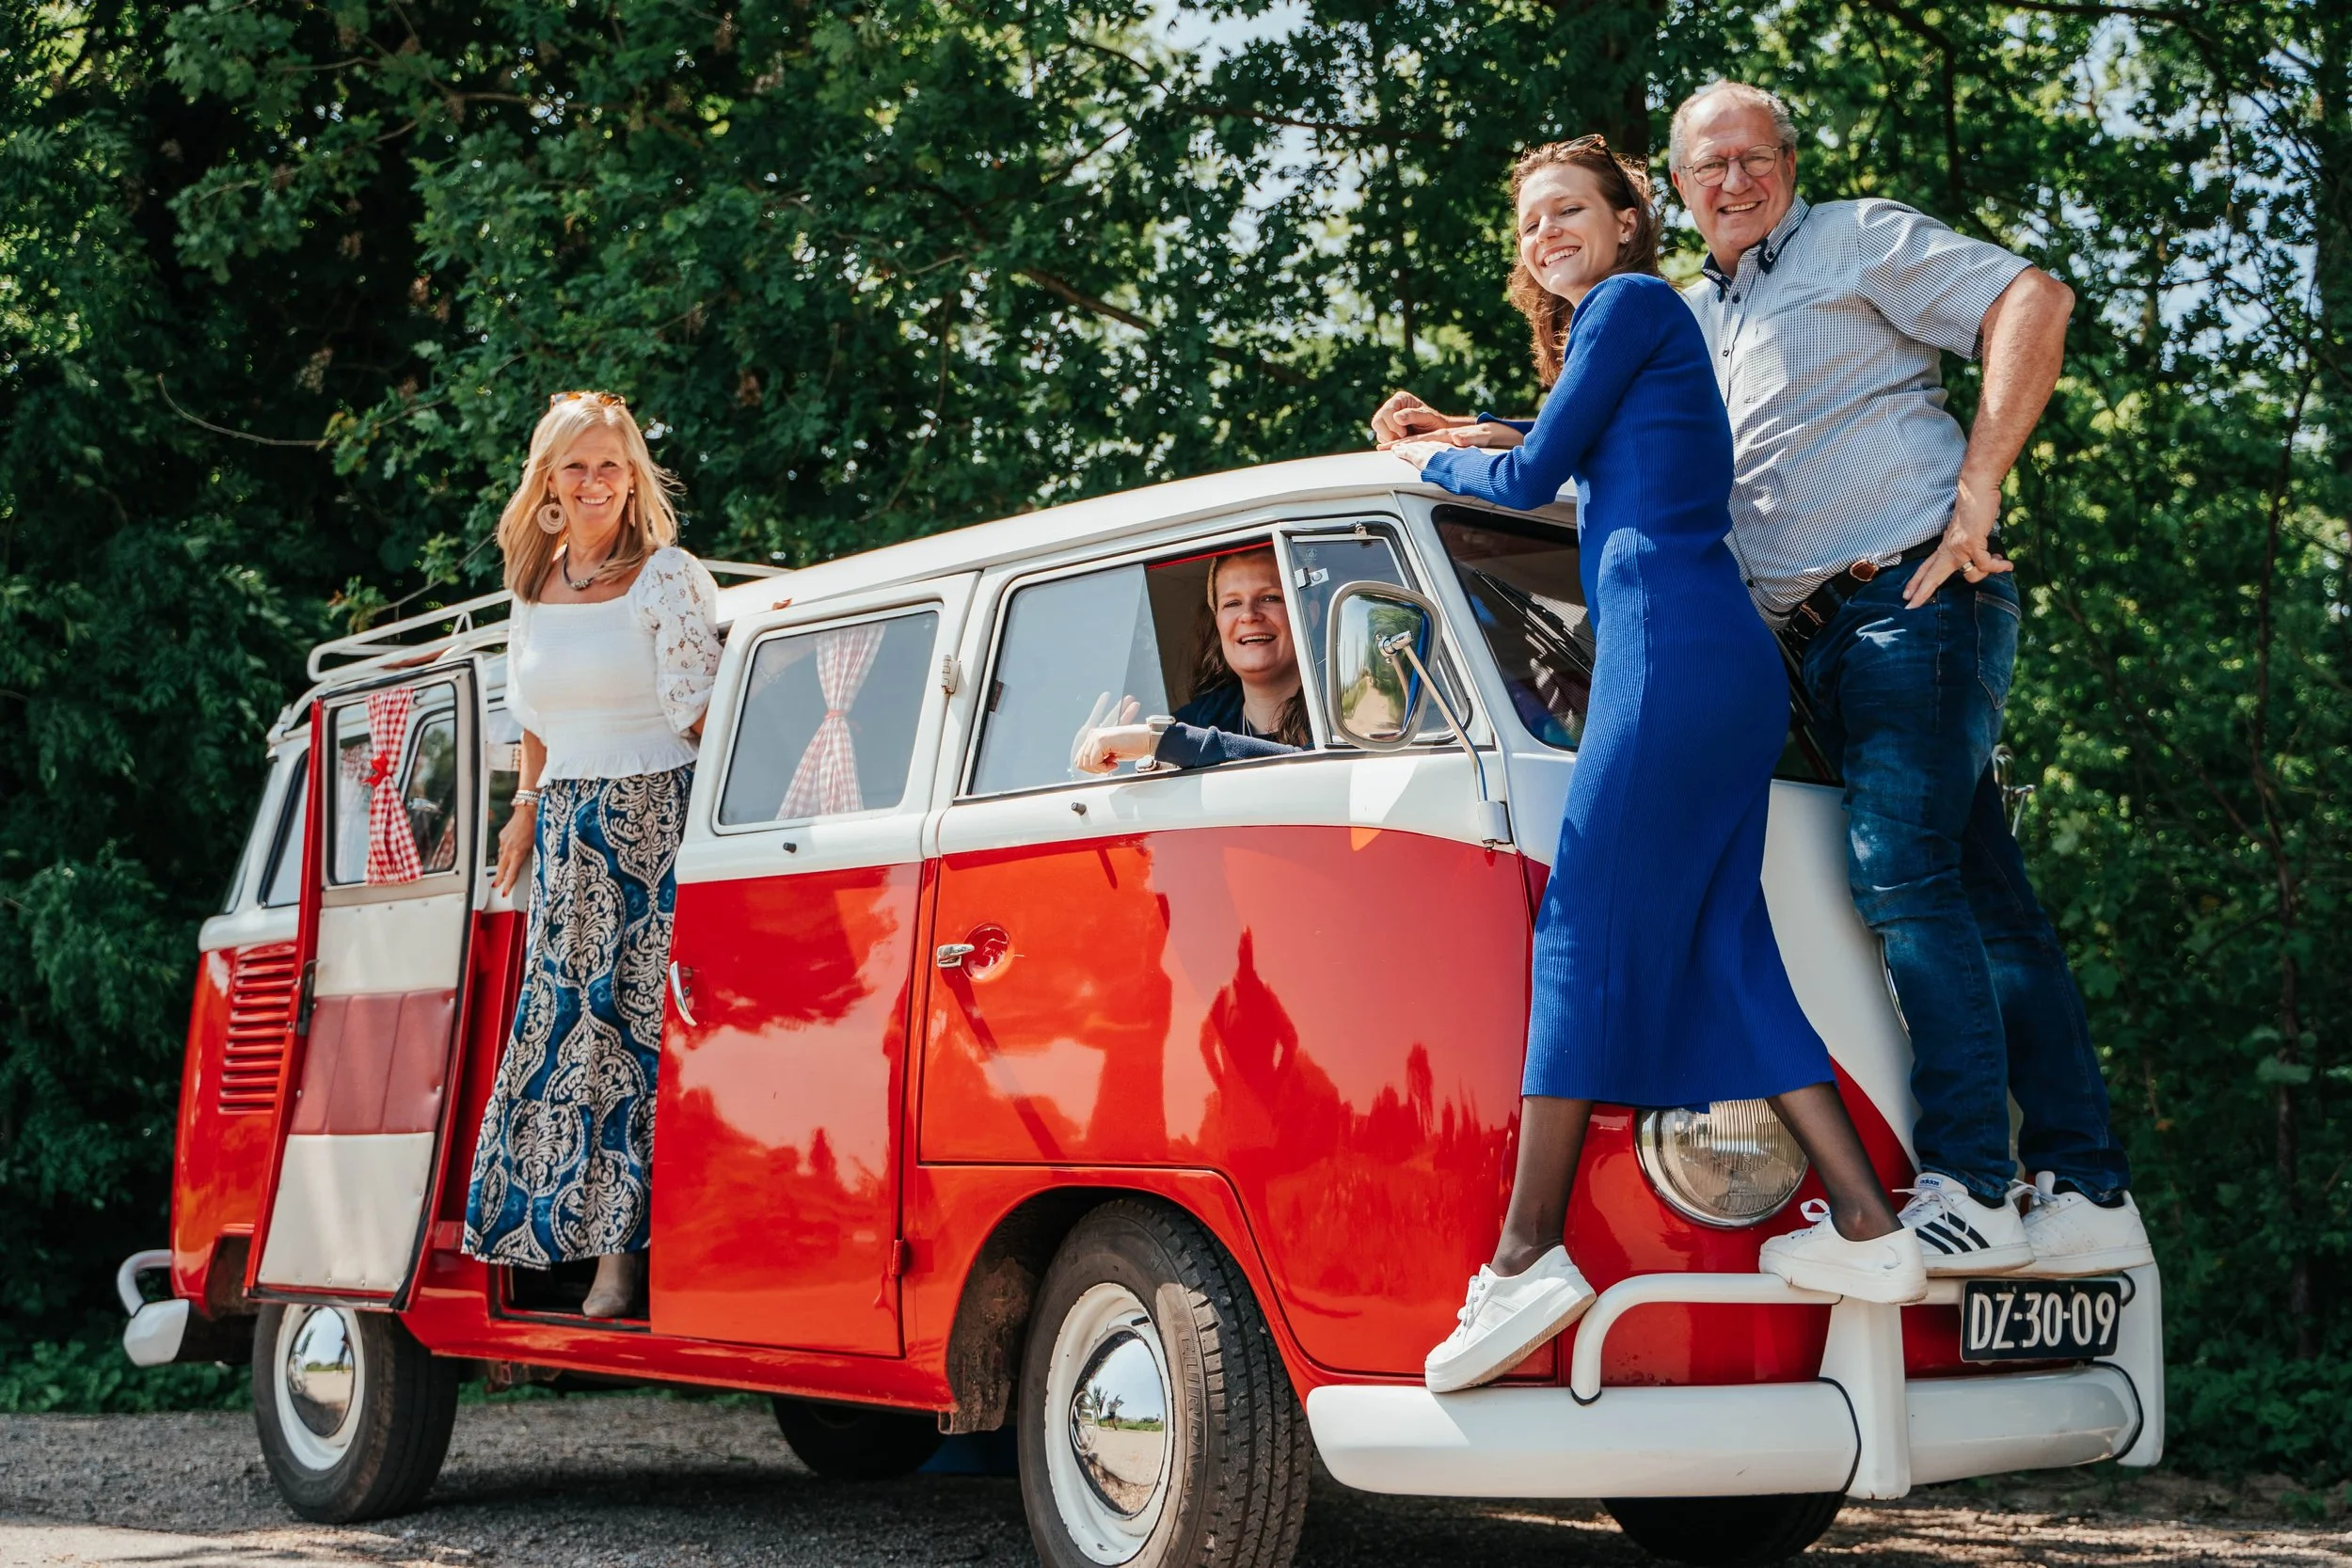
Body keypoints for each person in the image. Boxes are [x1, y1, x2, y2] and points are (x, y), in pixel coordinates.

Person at [1376, 86, 2151, 1279]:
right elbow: (1620, 455)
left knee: (1902, 883)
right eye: (1706, 166)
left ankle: (1970, 1188)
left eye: (1751, 157)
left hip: (1911, 594)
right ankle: (2085, 1179)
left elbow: (2029, 298)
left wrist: (1979, 488)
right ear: (1675, 193)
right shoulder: (1689, 310)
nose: (1731, 181)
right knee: (1985, 903)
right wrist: (1471, 431)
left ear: (1787, 161)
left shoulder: (1852, 242)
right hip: (1807, 646)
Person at [1384, 136, 1926, 1396]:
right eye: (1529, 224)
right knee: (1728, 948)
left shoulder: (1628, 305)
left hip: (1675, 652)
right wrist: (1466, 428)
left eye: (1570, 209)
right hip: (1718, 663)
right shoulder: (1625, 338)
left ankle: (1525, 1255)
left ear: (1631, 221)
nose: (1546, 235)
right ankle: (1866, 1223)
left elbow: (1526, 475)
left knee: (1576, 931)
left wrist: (1427, 461)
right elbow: (1569, 443)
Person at [461, 390, 723, 1321]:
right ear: (548, 479)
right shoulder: (531, 589)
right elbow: (534, 722)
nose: (596, 480)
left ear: (633, 476)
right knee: (571, 1037)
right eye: (577, 464)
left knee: (638, 1043)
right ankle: (571, 1242)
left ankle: (629, 1266)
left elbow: (705, 714)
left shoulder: (666, 577)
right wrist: (525, 807)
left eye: (612, 462)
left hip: (656, 821)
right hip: (569, 830)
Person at [1073, 546, 1309, 774]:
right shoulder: (1196, 720)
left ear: (1310, 611)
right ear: (1218, 622)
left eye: (1270, 598)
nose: (1248, 615)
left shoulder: (1340, 712)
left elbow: (1308, 771)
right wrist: (1092, 764)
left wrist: (1159, 742)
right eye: (1232, 603)